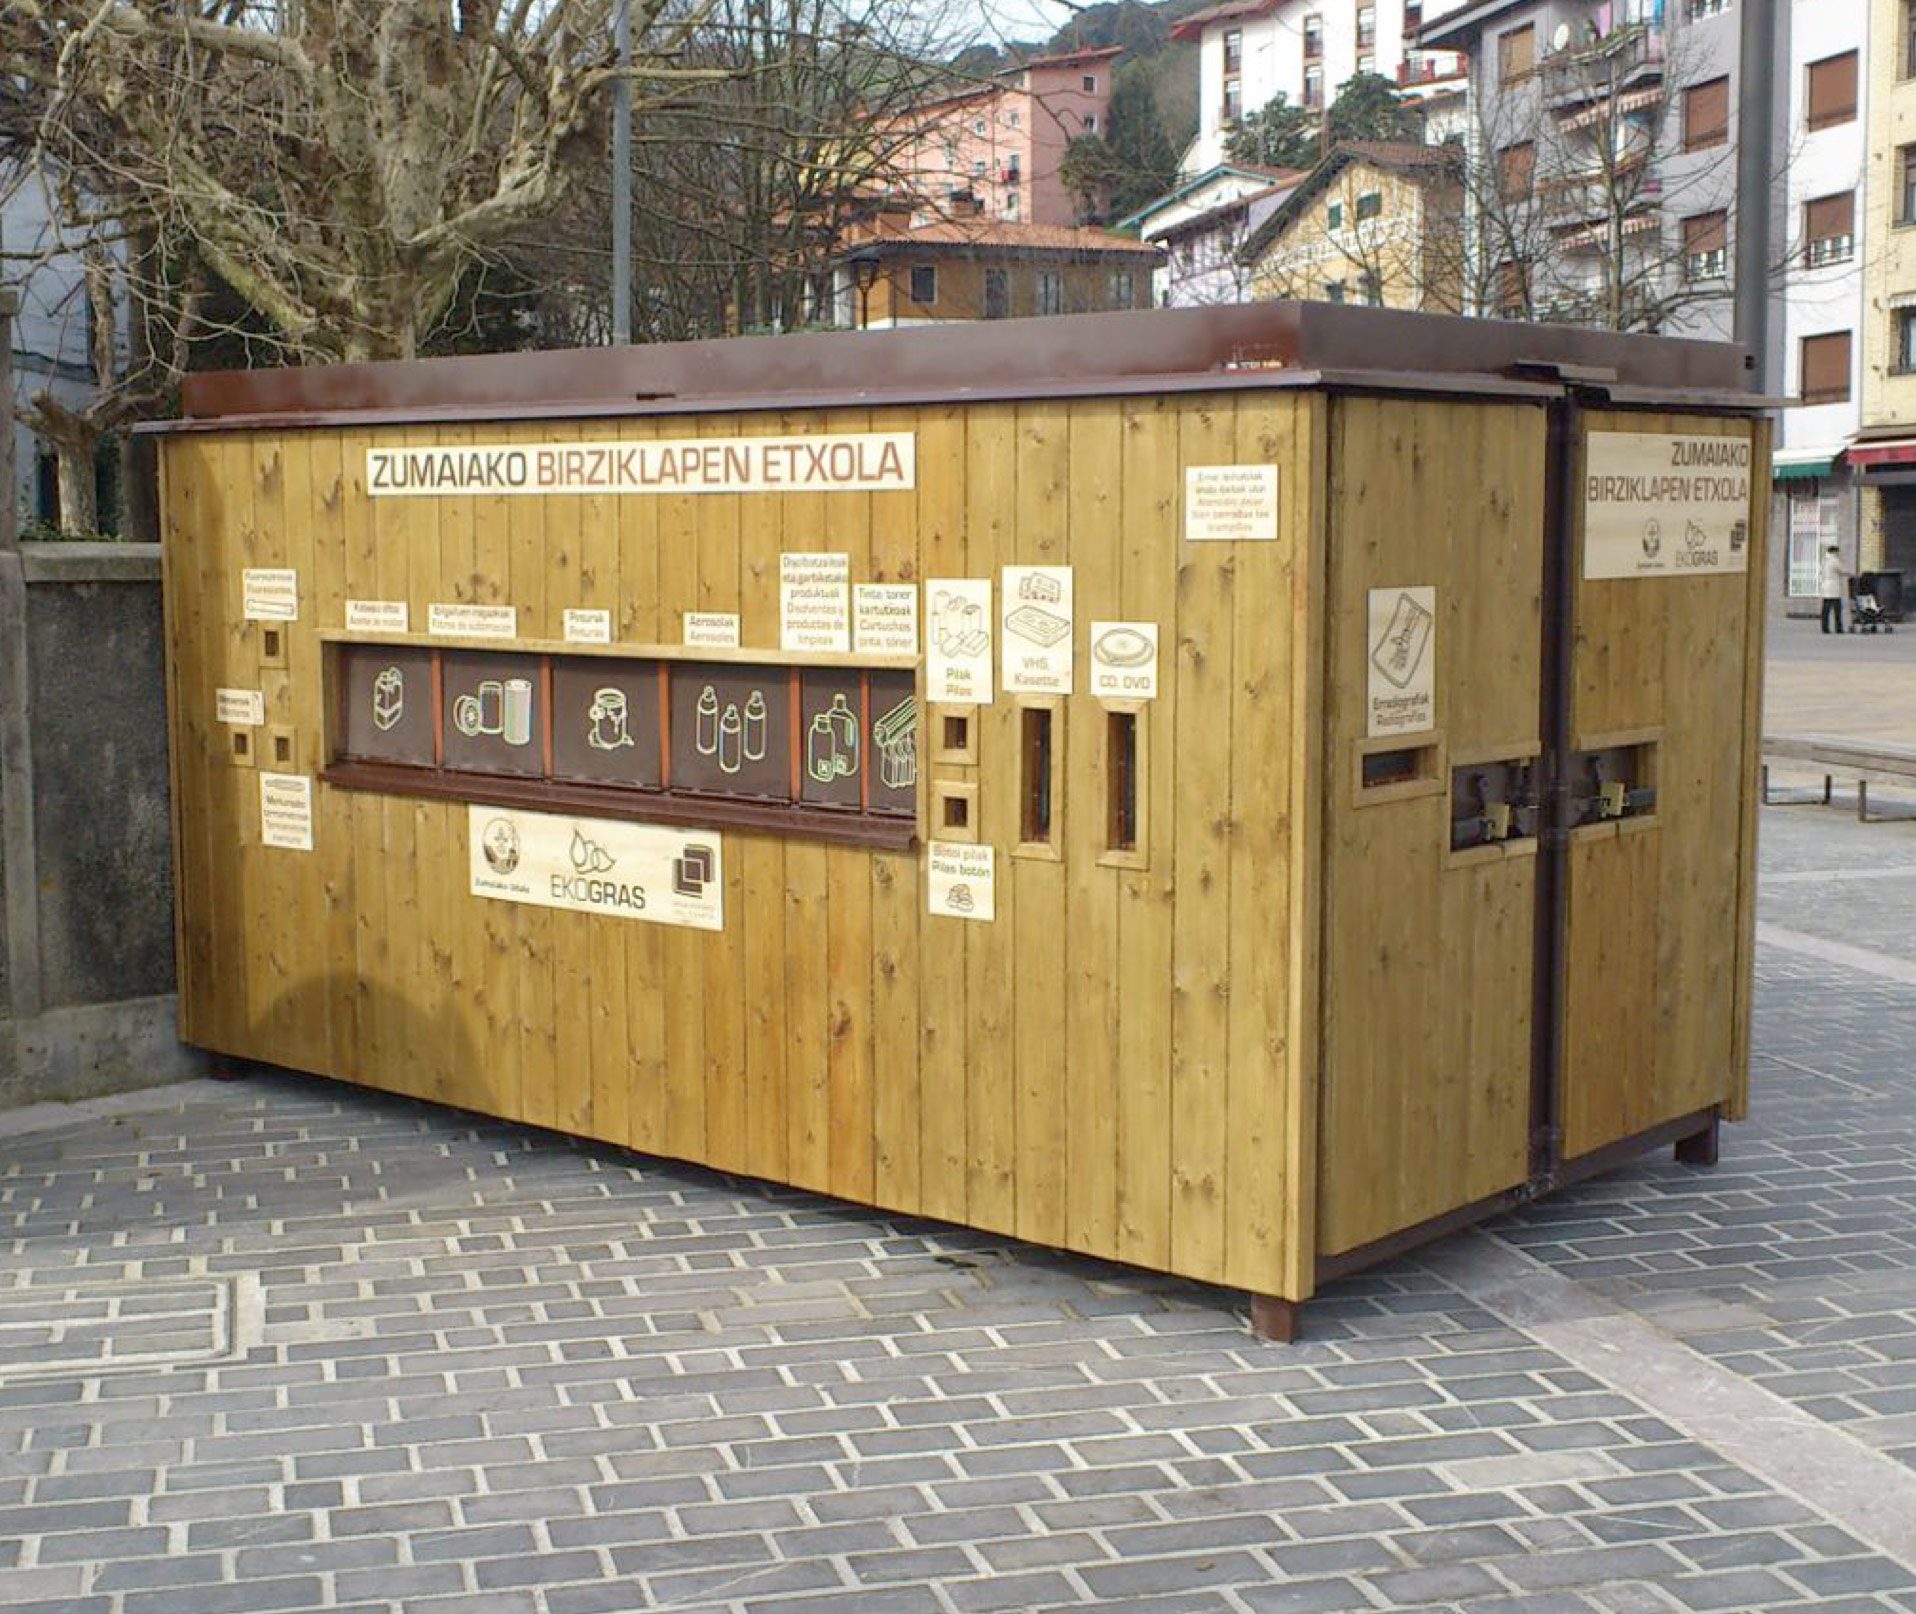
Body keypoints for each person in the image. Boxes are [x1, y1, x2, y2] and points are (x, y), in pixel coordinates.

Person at [1821, 545, 1850, 634]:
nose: (1839, 554)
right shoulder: (1834, 560)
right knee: (1837, 609)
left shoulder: (1824, 560)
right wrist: (1849, 572)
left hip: (1825, 585)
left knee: (1826, 609)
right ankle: (1838, 628)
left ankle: (1825, 628)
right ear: (1834, 552)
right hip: (1833, 587)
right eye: (1838, 552)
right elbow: (1842, 570)